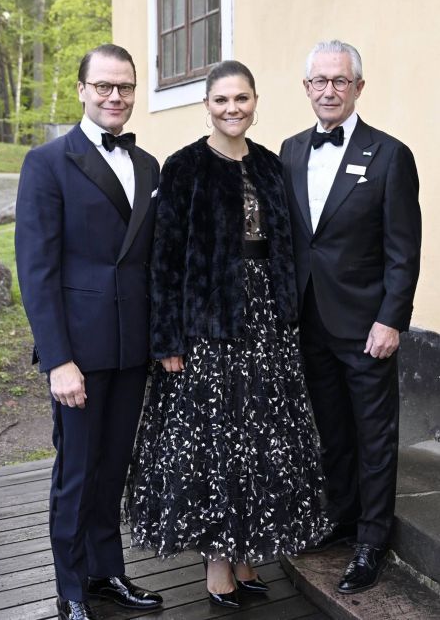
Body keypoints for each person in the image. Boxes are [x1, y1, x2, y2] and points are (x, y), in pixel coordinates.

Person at [125, 60, 329, 610]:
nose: (232, 109)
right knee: (217, 442)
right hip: (207, 328)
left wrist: (289, 316)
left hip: (266, 322)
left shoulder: (268, 165)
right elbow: (164, 261)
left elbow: (285, 247)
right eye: (221, 100)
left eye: (241, 99)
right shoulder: (185, 166)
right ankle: (218, 563)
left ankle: (245, 556)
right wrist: (166, 339)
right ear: (207, 105)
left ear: (256, 101)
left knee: (260, 438)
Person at [15, 44, 163, 620]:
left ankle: (108, 573)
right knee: (75, 473)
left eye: (124, 87)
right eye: (103, 86)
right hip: (77, 352)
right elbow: (38, 269)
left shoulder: (147, 165)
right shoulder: (47, 162)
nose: (115, 97)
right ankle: (70, 587)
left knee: (114, 469)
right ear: (81, 89)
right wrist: (57, 360)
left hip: (132, 348)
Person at [280, 40, 421, 594]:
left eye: (340, 80)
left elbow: (403, 249)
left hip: (367, 327)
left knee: (374, 434)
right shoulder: (289, 151)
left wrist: (392, 319)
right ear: (307, 88)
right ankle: (339, 519)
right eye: (319, 81)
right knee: (332, 432)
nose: (329, 90)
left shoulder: (390, 155)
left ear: (358, 87)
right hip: (307, 320)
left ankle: (371, 539)